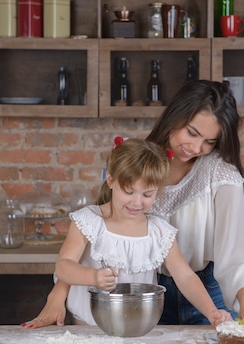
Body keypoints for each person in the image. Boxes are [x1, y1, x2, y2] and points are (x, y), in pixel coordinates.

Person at [22, 79, 244, 328]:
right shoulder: (139, 162)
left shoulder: (218, 174)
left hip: (202, 292)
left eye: (210, 141)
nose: (197, 147)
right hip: (142, 298)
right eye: (192, 132)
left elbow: (227, 258)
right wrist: (56, 296)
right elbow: (84, 250)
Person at [47, 137, 232, 327]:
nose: (137, 203)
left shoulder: (159, 232)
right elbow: (63, 266)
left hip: (139, 331)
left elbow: (185, 277)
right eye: (129, 191)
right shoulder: (88, 221)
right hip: (87, 331)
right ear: (110, 179)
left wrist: (212, 311)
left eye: (147, 194)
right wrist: (93, 277)